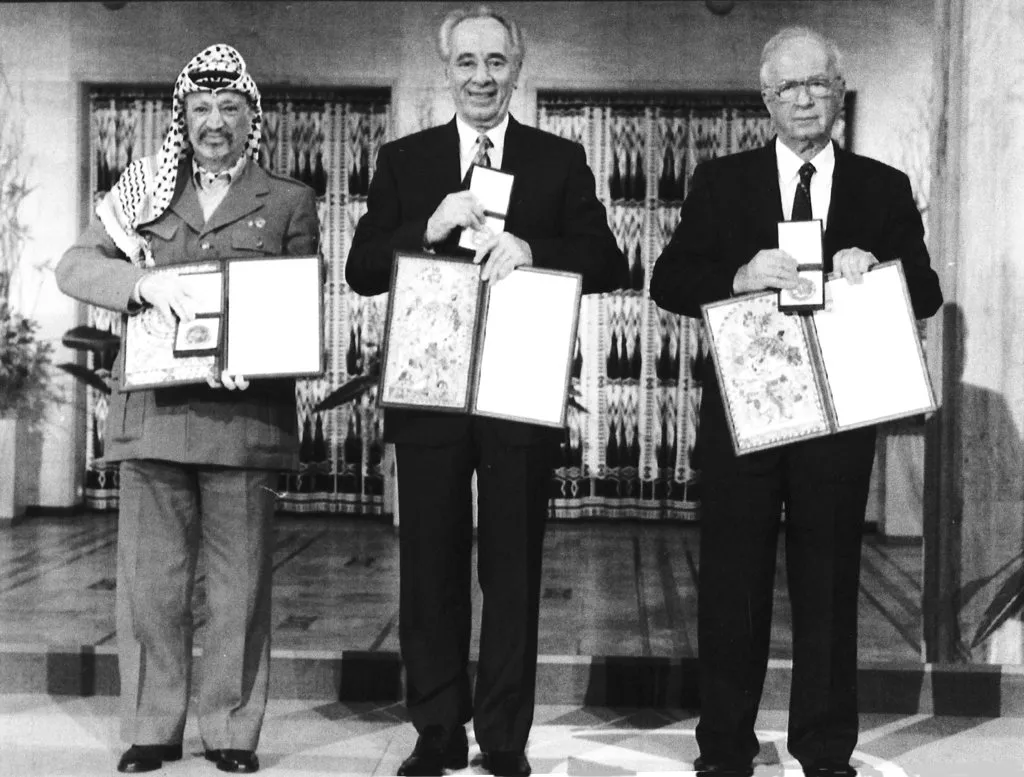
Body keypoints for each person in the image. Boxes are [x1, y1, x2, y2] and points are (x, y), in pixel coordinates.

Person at [650, 27, 942, 777]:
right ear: (766, 98)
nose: (804, 99)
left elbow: (927, 292)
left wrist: (878, 266)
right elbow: (668, 281)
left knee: (829, 586)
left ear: (838, 93)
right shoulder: (721, 181)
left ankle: (825, 750)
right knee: (732, 588)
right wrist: (740, 275)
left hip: (839, 422)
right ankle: (724, 749)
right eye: (789, 87)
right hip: (744, 416)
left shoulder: (882, 186)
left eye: (818, 84)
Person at [346, 6, 626, 776]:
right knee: (429, 567)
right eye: (466, 61)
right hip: (430, 392)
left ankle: (504, 737)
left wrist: (534, 248)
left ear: (517, 67)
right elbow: (362, 268)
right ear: (446, 69)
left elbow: (610, 260)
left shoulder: (557, 160)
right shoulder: (405, 161)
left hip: (518, 391)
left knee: (512, 569)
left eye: (496, 61)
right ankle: (437, 729)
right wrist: (427, 227)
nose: (481, 76)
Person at [57, 44, 319, 774]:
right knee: (152, 585)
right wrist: (140, 285)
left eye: (229, 108)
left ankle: (231, 732)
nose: (214, 122)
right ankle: (152, 727)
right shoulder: (145, 187)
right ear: (182, 116)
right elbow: (75, 266)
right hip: (153, 418)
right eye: (200, 108)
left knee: (240, 588)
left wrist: (262, 353)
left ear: (250, 117)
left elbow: (297, 306)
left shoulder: (288, 200)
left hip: (246, 420)